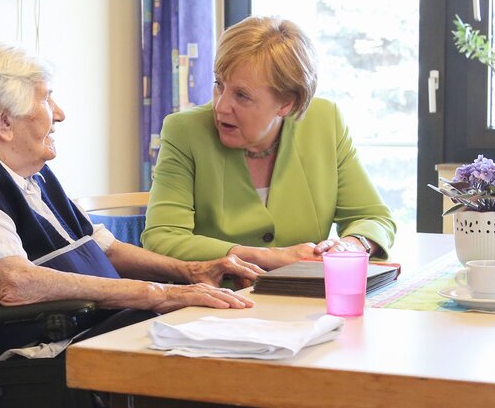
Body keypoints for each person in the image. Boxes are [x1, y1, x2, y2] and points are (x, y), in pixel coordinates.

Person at [0, 42, 261, 329]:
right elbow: (16, 284)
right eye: (45, 98)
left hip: (92, 325)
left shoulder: (29, 175)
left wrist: (191, 272)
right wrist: (160, 294)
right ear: (3, 120)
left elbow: (105, 249)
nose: (59, 113)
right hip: (36, 346)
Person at [142, 16, 396, 272]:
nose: (220, 106)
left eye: (241, 95)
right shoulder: (184, 131)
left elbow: (373, 218)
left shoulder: (325, 122)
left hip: (301, 303)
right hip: (213, 300)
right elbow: (162, 238)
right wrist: (265, 256)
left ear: (287, 103)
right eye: (219, 84)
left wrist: (351, 245)